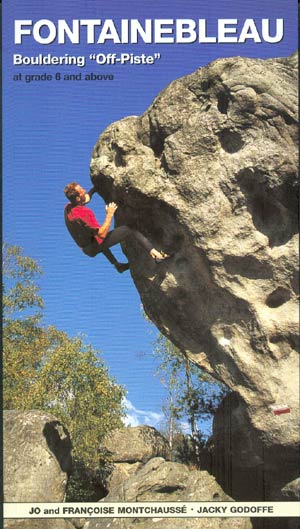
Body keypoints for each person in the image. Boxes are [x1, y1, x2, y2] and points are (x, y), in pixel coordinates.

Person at [64, 182, 171, 273]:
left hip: (87, 247)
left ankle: (117, 265)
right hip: (92, 246)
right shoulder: (84, 213)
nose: (84, 190)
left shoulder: (68, 207)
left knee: (96, 240)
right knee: (130, 229)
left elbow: (86, 199)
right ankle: (156, 255)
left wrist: (95, 189)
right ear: (78, 198)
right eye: (82, 190)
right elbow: (102, 234)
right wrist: (109, 214)